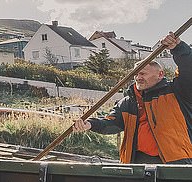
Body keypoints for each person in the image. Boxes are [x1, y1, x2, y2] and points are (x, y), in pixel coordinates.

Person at [73, 32, 192, 164]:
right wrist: (90, 124)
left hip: (175, 163)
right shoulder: (128, 102)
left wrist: (178, 48)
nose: (138, 78)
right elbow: (111, 123)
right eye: (135, 74)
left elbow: (189, 70)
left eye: (143, 73)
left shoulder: (178, 92)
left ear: (160, 74)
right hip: (135, 164)